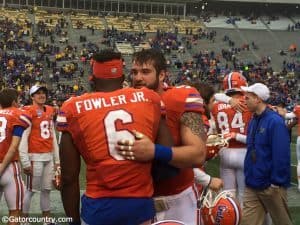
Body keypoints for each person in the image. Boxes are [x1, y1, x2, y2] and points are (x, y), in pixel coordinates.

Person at [56, 50, 174, 225]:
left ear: (92, 79)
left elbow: (68, 178)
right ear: (122, 78)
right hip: (140, 206)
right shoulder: (150, 98)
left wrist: (73, 221)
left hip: (98, 208)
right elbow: (166, 157)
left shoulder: (72, 107)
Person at [117, 49, 207, 225]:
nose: (138, 78)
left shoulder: (180, 97)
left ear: (162, 75)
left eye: (145, 72)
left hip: (177, 197)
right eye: (134, 72)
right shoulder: (124, 99)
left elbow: (198, 154)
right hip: (138, 200)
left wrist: (154, 151)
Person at [240, 83, 292, 225]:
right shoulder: (253, 120)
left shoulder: (275, 122)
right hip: (253, 183)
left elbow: (281, 155)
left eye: (248, 97)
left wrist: (275, 183)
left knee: (282, 222)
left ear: (257, 99)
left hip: (270, 185)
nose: (245, 100)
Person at [19, 85, 60, 224]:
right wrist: (24, 161)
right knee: (31, 190)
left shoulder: (49, 110)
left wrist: (57, 159)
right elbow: (24, 137)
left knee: (47, 190)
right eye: (38, 93)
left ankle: (47, 220)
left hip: (48, 156)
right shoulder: (28, 111)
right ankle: (24, 220)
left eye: (43, 93)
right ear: (32, 96)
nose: (41, 95)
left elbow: (53, 135)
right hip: (34, 157)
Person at [210, 72, 252, 205]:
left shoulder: (216, 104)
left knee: (228, 196)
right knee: (244, 196)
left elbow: (210, 96)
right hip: (244, 151)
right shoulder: (248, 102)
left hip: (225, 152)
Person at [0, 88, 31, 225]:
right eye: (18, 101)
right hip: (8, 167)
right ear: (14, 102)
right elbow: (13, 148)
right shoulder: (18, 114)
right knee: (15, 213)